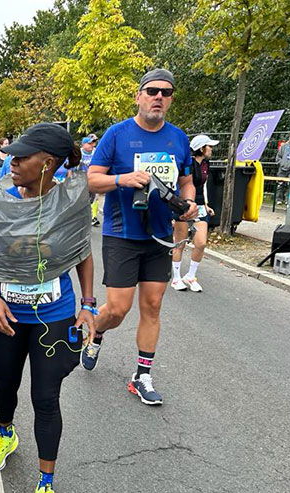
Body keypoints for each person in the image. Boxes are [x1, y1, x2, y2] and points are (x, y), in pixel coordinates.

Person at [0, 123, 94, 493]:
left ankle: (46, 486)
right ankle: (6, 433)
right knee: (4, 386)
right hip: (7, 316)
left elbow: (82, 252)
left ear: (47, 164)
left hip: (56, 314)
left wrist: (88, 306)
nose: (12, 163)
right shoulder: (1, 203)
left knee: (46, 398)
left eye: (21, 157)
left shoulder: (69, 204)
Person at [82, 68, 198, 406]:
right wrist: (123, 179)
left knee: (152, 305)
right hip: (121, 233)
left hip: (160, 236)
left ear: (171, 99)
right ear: (139, 96)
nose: (158, 96)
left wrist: (189, 202)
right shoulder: (116, 135)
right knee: (118, 309)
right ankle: (97, 331)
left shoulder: (178, 138)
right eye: (151, 91)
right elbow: (91, 180)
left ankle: (142, 375)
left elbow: (187, 180)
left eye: (165, 92)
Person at [171, 134, 219, 292]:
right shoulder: (188, 163)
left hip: (199, 205)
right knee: (180, 242)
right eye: (209, 146)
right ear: (201, 148)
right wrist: (175, 209)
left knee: (201, 243)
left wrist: (206, 205)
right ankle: (176, 278)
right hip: (184, 204)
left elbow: (203, 186)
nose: (211, 149)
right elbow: (179, 185)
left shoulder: (206, 163)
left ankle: (190, 276)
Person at [77, 134, 100, 226]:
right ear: (83, 144)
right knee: (82, 200)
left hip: (93, 180)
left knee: (95, 198)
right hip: (80, 181)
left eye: (94, 143)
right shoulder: (79, 153)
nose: (93, 145)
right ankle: (81, 217)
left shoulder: (96, 152)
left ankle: (93, 217)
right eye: (90, 143)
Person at [275, 129, 290, 205]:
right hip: (282, 168)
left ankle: (288, 200)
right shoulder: (284, 146)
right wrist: (281, 163)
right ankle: (279, 199)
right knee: (280, 184)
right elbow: (278, 157)